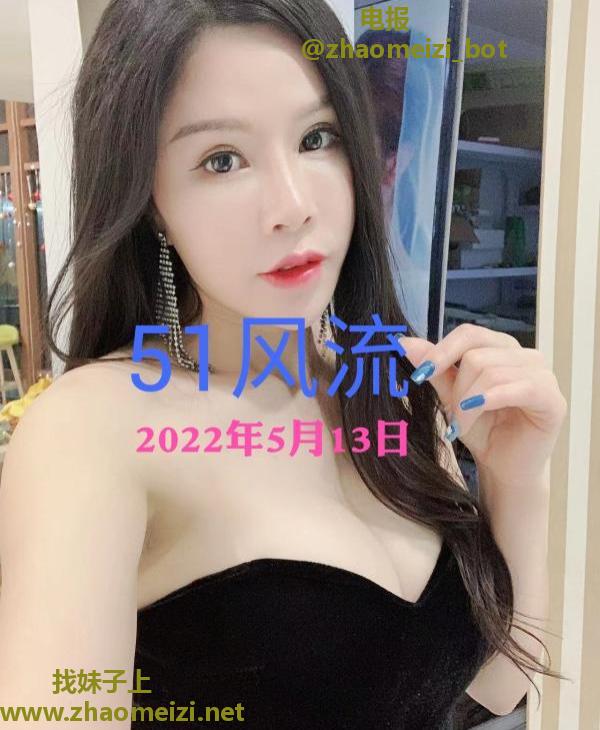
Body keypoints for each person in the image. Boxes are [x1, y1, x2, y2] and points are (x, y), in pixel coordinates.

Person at [0, 1, 568, 729]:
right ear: (149, 201)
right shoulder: (92, 431)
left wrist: (517, 478)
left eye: (317, 137)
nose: (293, 205)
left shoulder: (389, 391)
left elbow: (486, 689)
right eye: (222, 159)